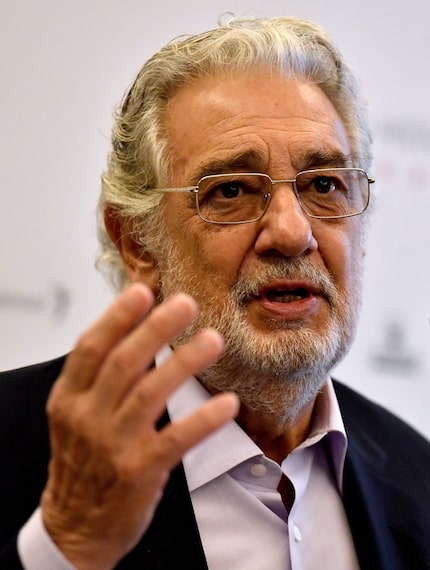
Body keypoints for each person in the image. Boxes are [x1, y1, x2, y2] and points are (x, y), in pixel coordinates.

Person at [1, 15, 429, 570]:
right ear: (138, 243)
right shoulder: (17, 448)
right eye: (230, 191)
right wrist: (66, 548)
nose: (292, 233)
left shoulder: (417, 481)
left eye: (324, 185)